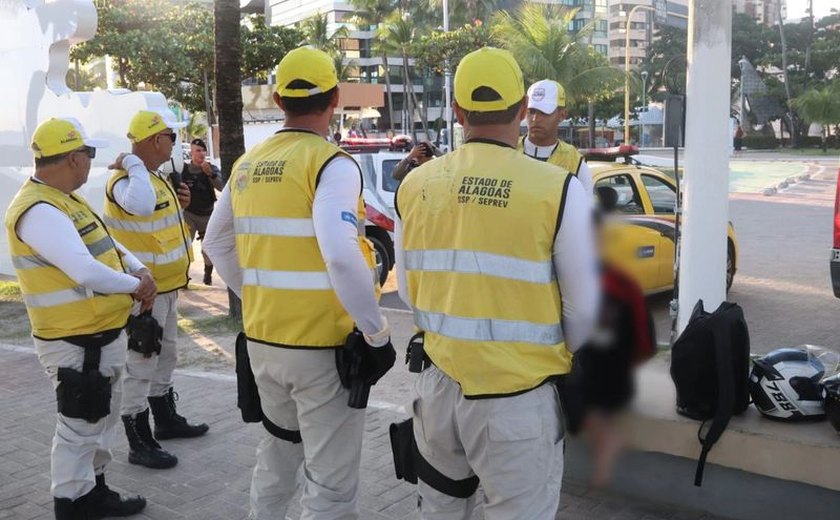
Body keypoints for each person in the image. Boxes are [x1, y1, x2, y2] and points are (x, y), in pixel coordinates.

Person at [394, 48, 600, 519]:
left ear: (458, 112)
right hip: (518, 402)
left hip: (438, 390)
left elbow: (407, 293)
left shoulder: (415, 185)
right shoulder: (557, 188)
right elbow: (583, 310)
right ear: (523, 111)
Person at [203, 46, 396, 519]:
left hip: (266, 340)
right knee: (329, 485)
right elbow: (340, 253)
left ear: (278, 98)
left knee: (277, 455)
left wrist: (258, 297)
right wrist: (375, 331)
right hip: (322, 350)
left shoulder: (247, 163)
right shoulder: (332, 163)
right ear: (334, 98)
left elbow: (214, 242)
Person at [4, 118, 156, 518]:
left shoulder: (66, 199)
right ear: (73, 158)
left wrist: (139, 268)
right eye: (88, 155)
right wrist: (135, 285)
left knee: (100, 420)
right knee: (79, 426)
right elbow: (85, 270)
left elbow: (108, 241)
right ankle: (72, 503)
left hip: (101, 335)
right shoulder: (38, 209)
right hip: (75, 343)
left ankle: (94, 491)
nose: (90, 163)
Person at [103, 110, 209, 471]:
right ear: (154, 140)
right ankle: (138, 438)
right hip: (143, 293)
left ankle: (165, 418)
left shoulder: (151, 177)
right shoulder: (124, 179)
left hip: (167, 287)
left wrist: (181, 206)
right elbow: (142, 206)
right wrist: (132, 161)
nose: (174, 145)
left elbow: (156, 222)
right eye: (171, 137)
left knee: (167, 355)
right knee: (141, 362)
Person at [518, 79, 594, 194]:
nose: (535, 119)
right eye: (531, 111)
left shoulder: (574, 162)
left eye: (544, 112)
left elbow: (587, 206)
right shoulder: (509, 149)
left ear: (562, 115)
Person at [180, 138, 224, 285]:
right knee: (185, 246)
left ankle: (207, 275)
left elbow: (222, 187)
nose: (201, 153)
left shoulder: (211, 168)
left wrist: (210, 174)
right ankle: (183, 276)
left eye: (203, 150)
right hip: (189, 214)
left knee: (207, 248)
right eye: (198, 150)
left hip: (207, 214)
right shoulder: (183, 170)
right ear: (191, 152)